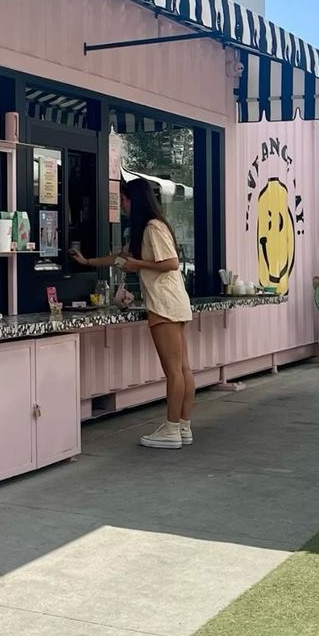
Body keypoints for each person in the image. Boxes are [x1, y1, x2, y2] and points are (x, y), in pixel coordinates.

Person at [70, 177, 195, 449]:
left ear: (135, 201)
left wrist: (138, 265)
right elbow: (120, 258)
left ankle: (172, 429)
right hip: (173, 303)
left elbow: (171, 263)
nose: (122, 205)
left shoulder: (153, 228)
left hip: (164, 305)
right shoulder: (144, 230)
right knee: (182, 369)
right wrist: (88, 261)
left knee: (174, 371)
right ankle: (182, 427)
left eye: (124, 200)